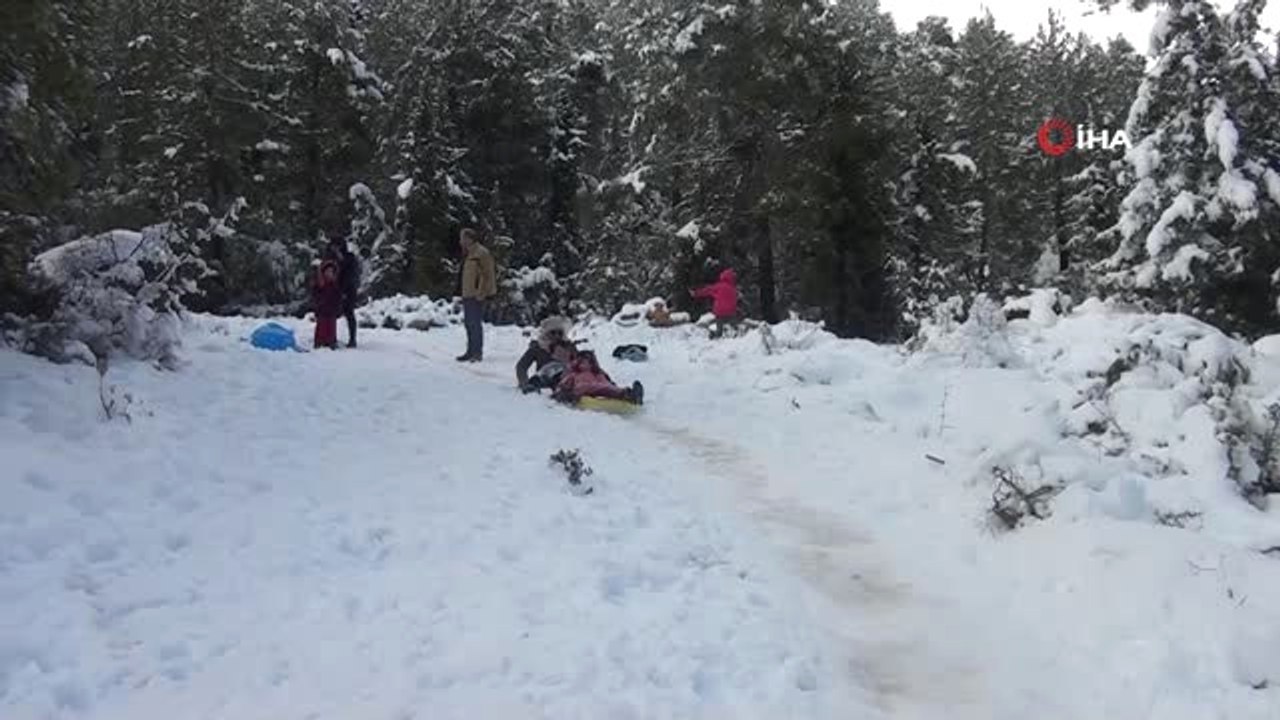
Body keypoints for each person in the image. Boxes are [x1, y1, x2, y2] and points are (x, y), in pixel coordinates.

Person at [458, 228, 497, 362]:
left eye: (463, 238)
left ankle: (477, 352)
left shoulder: (481, 253)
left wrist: (482, 293)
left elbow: (487, 275)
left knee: (475, 323)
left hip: (477, 294)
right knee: (469, 323)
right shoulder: (468, 253)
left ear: (469, 238)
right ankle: (470, 351)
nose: (461, 241)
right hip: (467, 293)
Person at [553, 350, 644, 406]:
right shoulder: (574, 373)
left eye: (589, 361)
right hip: (584, 390)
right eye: (584, 361)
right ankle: (625, 394)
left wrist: (613, 385)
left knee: (608, 388)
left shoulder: (599, 372)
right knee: (598, 387)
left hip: (601, 387)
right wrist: (564, 394)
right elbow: (562, 386)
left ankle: (628, 395)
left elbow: (609, 382)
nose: (587, 363)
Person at [516, 316, 577, 393]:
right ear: (546, 333)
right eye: (553, 332)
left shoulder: (569, 346)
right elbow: (521, 366)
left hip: (568, 381)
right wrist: (525, 383)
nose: (557, 336)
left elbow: (579, 363)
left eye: (560, 333)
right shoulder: (538, 347)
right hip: (544, 384)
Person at [325, 237, 362, 348]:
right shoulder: (330, 257)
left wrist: (346, 289)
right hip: (334, 289)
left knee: (349, 313)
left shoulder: (349, 257)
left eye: (337, 246)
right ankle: (331, 338)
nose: (335, 248)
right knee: (331, 313)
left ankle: (352, 339)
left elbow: (352, 274)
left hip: (348, 289)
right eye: (333, 246)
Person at [691, 268, 740, 338]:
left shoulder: (718, 286)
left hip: (720, 311)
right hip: (731, 311)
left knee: (719, 326)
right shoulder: (733, 289)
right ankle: (735, 334)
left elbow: (707, 290)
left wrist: (696, 293)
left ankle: (717, 335)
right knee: (734, 325)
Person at [312, 260, 343, 350]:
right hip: (322, 307)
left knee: (331, 325)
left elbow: (338, 296)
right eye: (327, 271)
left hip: (332, 308)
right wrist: (318, 303)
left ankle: (331, 341)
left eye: (331, 272)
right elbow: (315, 294)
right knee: (321, 325)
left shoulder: (335, 284)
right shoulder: (319, 283)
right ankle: (319, 341)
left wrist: (338, 306)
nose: (329, 273)